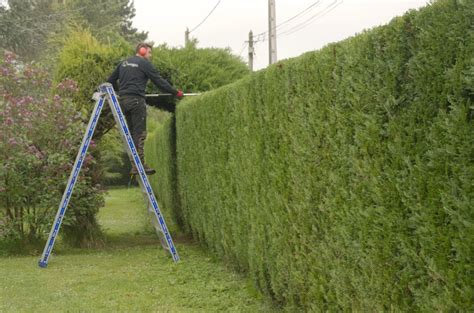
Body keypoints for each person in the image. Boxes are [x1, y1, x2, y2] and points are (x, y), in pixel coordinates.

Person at [107, 42, 183, 175]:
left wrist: (121, 92)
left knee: (131, 134)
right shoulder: (144, 64)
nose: (150, 55)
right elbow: (159, 81)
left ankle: (135, 164)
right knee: (139, 134)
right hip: (137, 101)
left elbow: (110, 81)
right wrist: (176, 92)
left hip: (123, 102)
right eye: (149, 52)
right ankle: (139, 165)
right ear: (142, 51)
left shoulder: (123, 63)